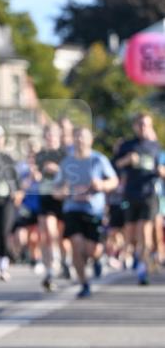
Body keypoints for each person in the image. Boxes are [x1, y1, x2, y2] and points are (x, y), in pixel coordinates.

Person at [55, 126, 118, 297]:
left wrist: (102, 185)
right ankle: (84, 284)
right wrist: (64, 192)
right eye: (76, 137)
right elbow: (56, 190)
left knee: (92, 250)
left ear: (91, 140)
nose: (79, 140)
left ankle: (98, 258)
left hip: (94, 210)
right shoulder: (66, 162)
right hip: (72, 209)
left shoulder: (98, 160)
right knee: (76, 245)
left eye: (83, 137)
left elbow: (114, 181)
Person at [114, 112, 164, 286]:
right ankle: (136, 257)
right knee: (131, 234)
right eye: (140, 124)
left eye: (146, 125)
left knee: (146, 232)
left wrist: (161, 171)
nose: (143, 128)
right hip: (130, 194)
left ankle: (143, 269)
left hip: (149, 194)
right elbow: (115, 166)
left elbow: (162, 168)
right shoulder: (127, 145)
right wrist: (127, 160)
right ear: (135, 126)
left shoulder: (155, 146)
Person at [34, 123, 66, 291]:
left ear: (59, 136)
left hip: (61, 198)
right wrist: (36, 174)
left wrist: (57, 170)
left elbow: (71, 174)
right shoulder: (40, 155)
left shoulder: (65, 154)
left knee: (60, 237)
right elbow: (36, 173)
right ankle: (49, 270)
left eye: (53, 135)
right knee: (46, 233)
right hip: (45, 196)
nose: (50, 138)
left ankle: (63, 260)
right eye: (47, 135)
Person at [0, 125, 21, 281]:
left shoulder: (8, 158)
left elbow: (15, 179)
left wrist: (17, 191)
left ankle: (3, 264)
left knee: (4, 231)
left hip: (7, 199)